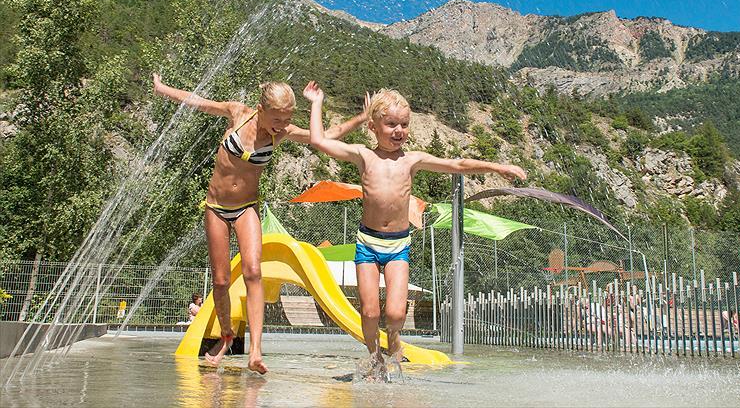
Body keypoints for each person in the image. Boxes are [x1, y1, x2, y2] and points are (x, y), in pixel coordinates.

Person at [304, 82, 526, 378]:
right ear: (373, 127)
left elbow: (457, 164)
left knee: (396, 314)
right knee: (369, 312)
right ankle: (375, 358)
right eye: (391, 124)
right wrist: (316, 102)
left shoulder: (412, 160)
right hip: (367, 243)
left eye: (404, 124)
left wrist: (497, 167)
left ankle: (394, 340)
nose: (399, 130)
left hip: (398, 245)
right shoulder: (363, 156)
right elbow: (318, 141)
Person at [152, 74, 368, 374]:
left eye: (287, 119)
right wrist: (162, 89)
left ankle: (255, 350)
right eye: (277, 119)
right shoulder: (237, 113)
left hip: (246, 208)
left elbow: (328, 135)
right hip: (216, 208)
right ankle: (226, 336)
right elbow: (197, 102)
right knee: (221, 281)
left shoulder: (282, 133)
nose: (282, 125)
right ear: (260, 109)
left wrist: (361, 118)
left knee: (253, 272)